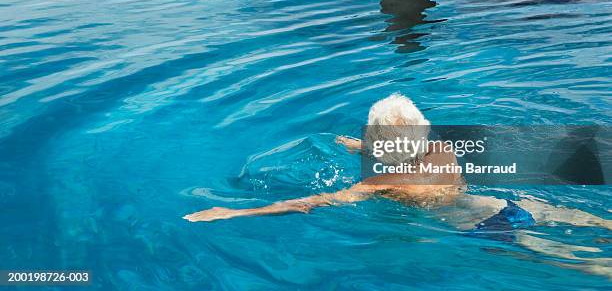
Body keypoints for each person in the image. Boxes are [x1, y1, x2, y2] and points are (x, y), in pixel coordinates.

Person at [183, 93, 611, 275]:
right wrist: (356, 146)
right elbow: (402, 144)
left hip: (486, 228)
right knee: (593, 222)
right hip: (509, 201)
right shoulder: (442, 148)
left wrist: (235, 211)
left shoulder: (381, 184)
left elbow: (309, 203)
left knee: (578, 263)